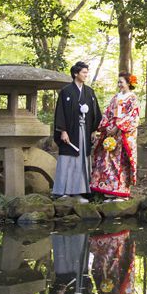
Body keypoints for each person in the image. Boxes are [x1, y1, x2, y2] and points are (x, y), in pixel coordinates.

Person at [53, 61, 101, 198]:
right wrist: (62, 130)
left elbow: (95, 113)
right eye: (84, 72)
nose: (86, 75)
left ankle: (81, 191)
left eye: (87, 72)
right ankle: (62, 191)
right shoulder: (66, 91)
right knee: (67, 158)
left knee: (82, 159)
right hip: (70, 131)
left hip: (84, 131)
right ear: (75, 73)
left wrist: (94, 130)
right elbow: (60, 112)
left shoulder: (89, 92)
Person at [89, 72, 140, 199]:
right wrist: (107, 126)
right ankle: (109, 189)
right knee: (108, 160)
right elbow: (107, 113)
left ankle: (122, 191)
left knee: (121, 161)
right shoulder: (115, 97)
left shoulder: (132, 98)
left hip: (123, 135)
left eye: (121, 82)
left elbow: (133, 117)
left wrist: (118, 126)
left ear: (128, 83)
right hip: (111, 133)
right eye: (118, 82)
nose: (119, 85)